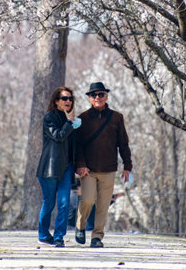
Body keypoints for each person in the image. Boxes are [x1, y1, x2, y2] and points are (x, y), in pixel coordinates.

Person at [75, 81, 132, 248]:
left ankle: (97, 237)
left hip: (109, 169)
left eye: (101, 94)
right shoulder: (82, 118)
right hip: (88, 169)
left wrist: (127, 167)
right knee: (87, 200)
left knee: (103, 205)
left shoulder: (116, 117)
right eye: (94, 95)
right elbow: (77, 145)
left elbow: (123, 143)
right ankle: (80, 226)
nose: (97, 97)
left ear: (106, 96)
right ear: (89, 98)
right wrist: (80, 164)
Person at [36, 86, 81, 247]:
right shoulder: (49, 118)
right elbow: (59, 136)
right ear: (56, 102)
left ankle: (59, 237)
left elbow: (75, 144)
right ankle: (43, 234)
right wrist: (69, 122)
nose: (68, 101)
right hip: (50, 168)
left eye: (70, 99)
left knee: (64, 203)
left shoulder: (72, 120)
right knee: (49, 203)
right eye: (64, 98)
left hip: (67, 167)